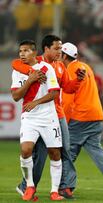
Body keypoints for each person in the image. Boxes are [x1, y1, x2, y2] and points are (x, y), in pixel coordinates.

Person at [13, 34, 84, 199]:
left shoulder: (59, 66)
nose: (60, 51)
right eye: (57, 48)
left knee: (62, 150)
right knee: (38, 153)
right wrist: (33, 73)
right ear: (46, 49)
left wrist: (78, 81)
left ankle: (62, 187)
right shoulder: (35, 61)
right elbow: (15, 64)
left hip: (56, 114)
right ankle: (28, 186)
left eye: (61, 48)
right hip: (37, 115)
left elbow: (67, 87)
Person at [60, 42, 103, 194]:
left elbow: (69, 100)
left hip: (79, 116)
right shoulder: (86, 67)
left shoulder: (69, 70)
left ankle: (66, 187)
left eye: (60, 55)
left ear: (64, 56)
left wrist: (63, 121)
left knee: (67, 153)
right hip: (96, 115)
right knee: (97, 152)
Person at [11, 40, 64, 201]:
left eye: (26, 51)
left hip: (49, 117)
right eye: (20, 51)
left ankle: (54, 191)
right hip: (30, 118)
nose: (22, 54)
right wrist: (30, 80)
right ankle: (29, 186)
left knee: (55, 153)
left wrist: (35, 102)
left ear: (34, 53)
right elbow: (15, 96)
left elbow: (54, 93)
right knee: (26, 150)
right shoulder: (18, 71)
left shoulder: (47, 68)